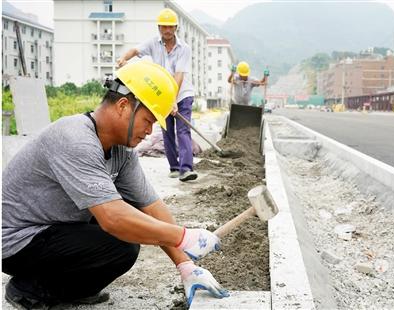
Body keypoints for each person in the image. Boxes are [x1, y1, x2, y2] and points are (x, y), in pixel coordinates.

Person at [2, 61, 229, 309]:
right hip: (17, 240)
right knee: (120, 245)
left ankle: (68, 288)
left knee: (131, 213)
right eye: (148, 120)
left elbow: (150, 206)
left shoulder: (122, 150)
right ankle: (28, 289)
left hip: (54, 225)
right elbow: (112, 219)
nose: (149, 130)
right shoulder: (75, 139)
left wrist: (186, 266)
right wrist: (183, 237)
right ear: (123, 105)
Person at [117, 8, 197, 182]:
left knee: (183, 130)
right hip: (161, 94)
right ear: (159, 27)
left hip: (182, 94)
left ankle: (186, 169)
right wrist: (123, 58)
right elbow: (135, 51)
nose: (167, 30)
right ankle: (174, 167)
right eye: (163, 27)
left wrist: (173, 100)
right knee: (167, 129)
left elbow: (179, 75)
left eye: (170, 27)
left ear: (176, 27)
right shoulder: (153, 43)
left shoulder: (185, 48)